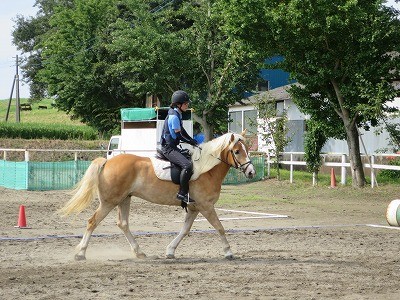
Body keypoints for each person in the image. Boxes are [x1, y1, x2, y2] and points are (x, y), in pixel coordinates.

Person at [160, 90, 198, 205]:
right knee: (187, 165)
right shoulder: (174, 117)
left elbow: (182, 131)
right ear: (178, 104)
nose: (187, 105)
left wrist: (192, 140)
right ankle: (182, 193)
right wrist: (190, 141)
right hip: (168, 148)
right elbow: (178, 135)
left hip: (172, 146)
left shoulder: (177, 114)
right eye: (186, 104)